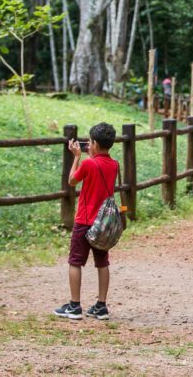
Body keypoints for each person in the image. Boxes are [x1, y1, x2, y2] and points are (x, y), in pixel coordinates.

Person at [55, 122, 119, 321]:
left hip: (84, 221)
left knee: (75, 261)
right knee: (102, 262)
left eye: (90, 142)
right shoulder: (115, 164)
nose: (88, 145)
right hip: (103, 224)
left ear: (95, 144)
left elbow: (72, 181)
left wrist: (76, 157)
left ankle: (74, 305)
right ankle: (101, 305)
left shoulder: (89, 163)